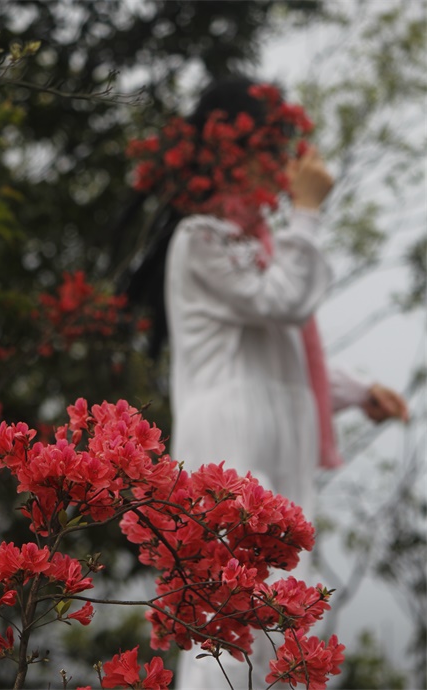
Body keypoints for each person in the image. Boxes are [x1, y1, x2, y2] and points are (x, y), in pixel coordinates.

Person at [124, 76, 408, 690]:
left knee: (278, 608)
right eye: (270, 150)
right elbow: (283, 302)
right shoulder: (201, 238)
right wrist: (307, 212)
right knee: (229, 617)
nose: (280, 166)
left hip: (276, 441)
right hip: (231, 444)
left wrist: (357, 392)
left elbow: (282, 353)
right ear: (230, 153)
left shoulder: (251, 244)